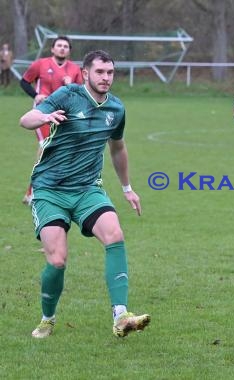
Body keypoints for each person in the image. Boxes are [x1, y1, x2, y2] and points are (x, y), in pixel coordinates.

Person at [19, 49, 150, 339]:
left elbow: (118, 148)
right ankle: (47, 319)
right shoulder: (68, 96)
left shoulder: (116, 109)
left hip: (88, 189)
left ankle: (121, 316)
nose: (106, 78)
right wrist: (43, 116)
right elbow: (26, 119)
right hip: (50, 190)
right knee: (57, 260)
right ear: (86, 72)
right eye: (100, 72)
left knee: (115, 235)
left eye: (110, 72)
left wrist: (127, 188)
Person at [19, 36, 83, 205]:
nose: (62, 48)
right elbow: (24, 82)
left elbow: (81, 93)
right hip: (42, 114)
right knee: (46, 149)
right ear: (52, 49)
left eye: (66, 46)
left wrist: (71, 85)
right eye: (59, 45)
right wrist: (36, 95)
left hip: (64, 116)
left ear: (69, 50)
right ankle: (34, 192)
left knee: (60, 153)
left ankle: (38, 191)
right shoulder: (40, 64)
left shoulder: (75, 70)